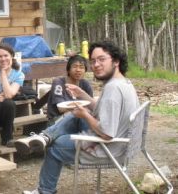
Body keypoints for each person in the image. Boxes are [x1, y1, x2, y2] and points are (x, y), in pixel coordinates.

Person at [22, 41, 140, 194]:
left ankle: (45, 190)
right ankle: (45, 136)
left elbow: (107, 134)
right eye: (93, 61)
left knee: (55, 146)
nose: (96, 65)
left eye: (102, 59)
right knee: (75, 116)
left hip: (108, 149)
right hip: (122, 144)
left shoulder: (113, 89)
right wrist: (82, 94)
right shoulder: (123, 82)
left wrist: (84, 114)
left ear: (116, 61)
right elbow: (103, 111)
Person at [47, 55, 93, 123]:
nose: (78, 70)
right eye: (75, 67)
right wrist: (83, 109)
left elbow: (91, 106)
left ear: (85, 70)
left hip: (78, 118)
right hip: (57, 120)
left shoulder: (85, 84)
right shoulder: (59, 82)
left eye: (81, 67)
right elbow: (61, 109)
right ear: (68, 70)